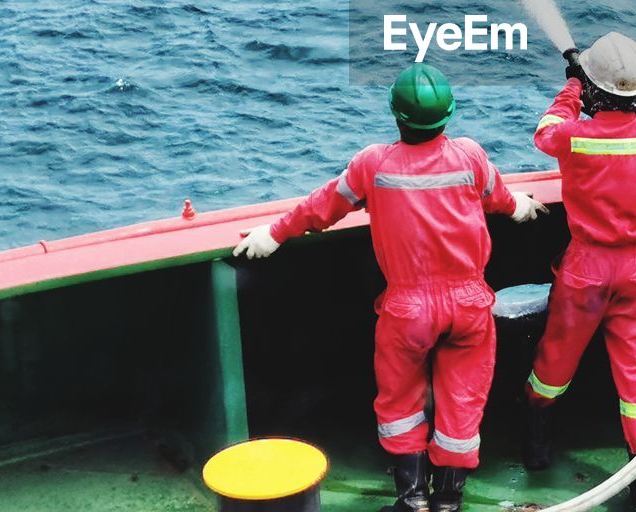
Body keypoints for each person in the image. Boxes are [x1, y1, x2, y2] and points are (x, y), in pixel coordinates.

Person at [234, 63, 546, 512]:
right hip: (468, 303)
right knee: (462, 401)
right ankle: (448, 499)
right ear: (448, 116)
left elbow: (321, 207)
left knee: (400, 401)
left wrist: (273, 234)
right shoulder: (471, 157)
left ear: (396, 116)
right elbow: (501, 197)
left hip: (408, 310)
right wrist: (521, 208)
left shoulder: (372, 165)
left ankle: (412, 497)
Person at [522, 32, 636, 512]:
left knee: (554, 362)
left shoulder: (573, 136)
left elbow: (545, 132)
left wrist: (571, 89)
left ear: (593, 90)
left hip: (586, 268)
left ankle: (535, 444)